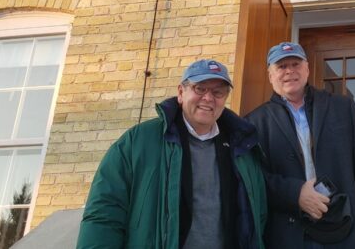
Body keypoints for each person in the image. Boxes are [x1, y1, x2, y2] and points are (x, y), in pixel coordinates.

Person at [77, 59, 267, 249]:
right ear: (181, 93)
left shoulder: (243, 149)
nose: (208, 98)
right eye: (200, 88)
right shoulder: (138, 142)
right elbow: (105, 212)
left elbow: (257, 218)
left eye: (218, 92)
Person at [246, 42, 355, 249]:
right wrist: (295, 193)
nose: (289, 71)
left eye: (295, 64)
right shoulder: (253, 123)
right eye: (281, 66)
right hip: (287, 236)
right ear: (270, 75)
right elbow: (254, 180)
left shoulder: (343, 107)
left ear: (307, 69)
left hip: (343, 232)